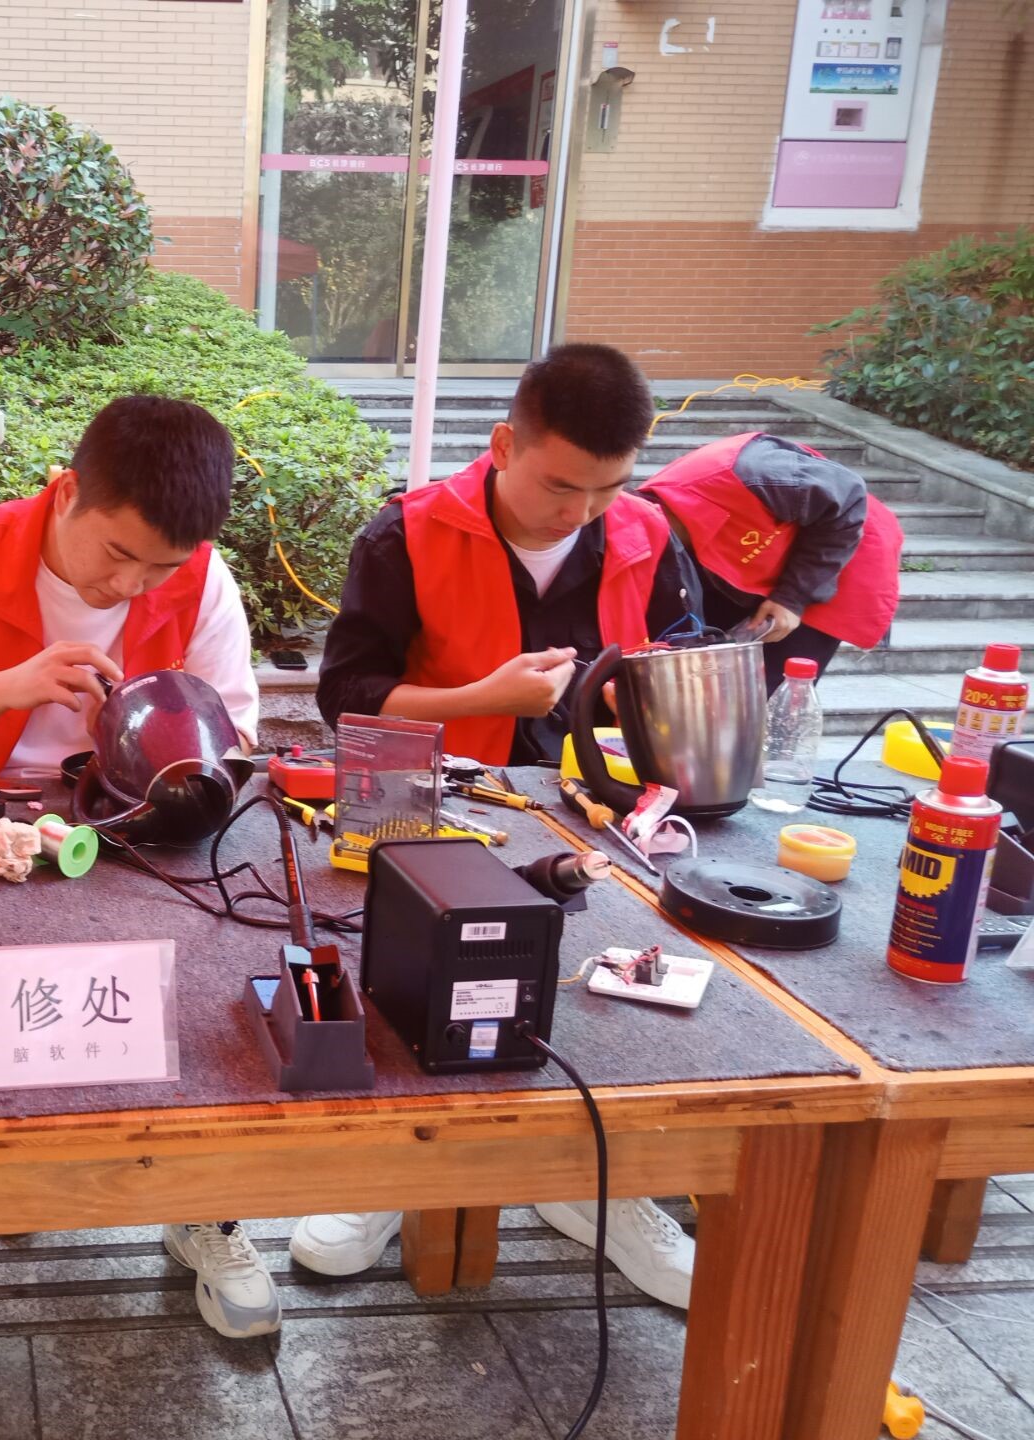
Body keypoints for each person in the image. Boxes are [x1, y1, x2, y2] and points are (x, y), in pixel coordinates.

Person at [0, 394, 277, 1338]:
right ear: (68, 490)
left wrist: (153, 749)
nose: (131, 585)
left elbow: (236, 739)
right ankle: (6, 1170)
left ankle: (207, 1207)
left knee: (216, 990)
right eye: (117, 553)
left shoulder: (202, 578)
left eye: (159, 568)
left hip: (138, 827)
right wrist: (7, 687)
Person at [307, 344, 703, 1309]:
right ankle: (394, 1178)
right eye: (561, 485)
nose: (581, 512)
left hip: (593, 816)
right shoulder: (406, 535)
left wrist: (658, 711)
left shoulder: (648, 536)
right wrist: (478, 697)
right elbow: (345, 696)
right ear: (502, 444)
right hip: (431, 813)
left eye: (607, 488)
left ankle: (594, 1181)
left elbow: (682, 664)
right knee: (421, 990)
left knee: (605, 998)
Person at [638, 432, 903, 686]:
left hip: (835, 549)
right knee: (711, 678)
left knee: (772, 689)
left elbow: (848, 494)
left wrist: (792, 598)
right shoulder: (661, 531)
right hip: (753, 561)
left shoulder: (753, 474)